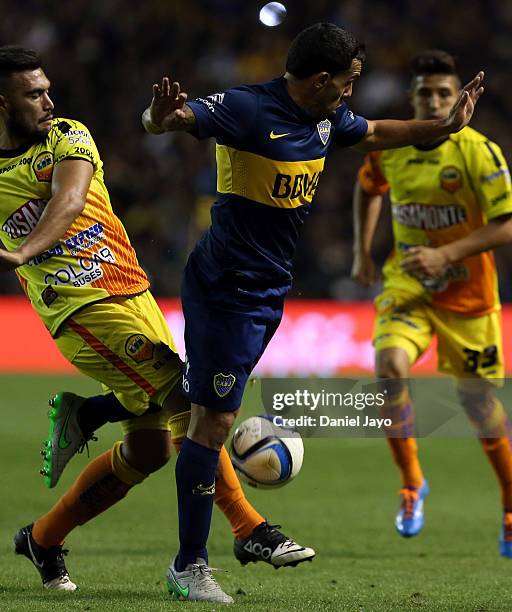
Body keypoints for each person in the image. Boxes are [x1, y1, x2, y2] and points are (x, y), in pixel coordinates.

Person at [0, 46, 314, 602]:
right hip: (78, 310)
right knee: (185, 399)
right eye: (33, 93)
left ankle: (43, 536)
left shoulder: (68, 135)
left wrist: (16, 254)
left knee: (151, 450)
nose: (48, 100)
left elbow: (69, 201)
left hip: (132, 295)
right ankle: (248, 529)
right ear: (0, 102)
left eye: (46, 88)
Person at [141, 22, 484, 602]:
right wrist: (161, 118)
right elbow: (175, 121)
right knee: (212, 423)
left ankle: (213, 529)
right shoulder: (249, 108)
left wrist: (442, 126)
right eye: (348, 82)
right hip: (225, 287)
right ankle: (190, 564)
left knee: (204, 416)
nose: (352, 93)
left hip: (269, 289)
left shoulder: (326, 118)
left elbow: (375, 132)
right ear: (322, 79)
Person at [351, 49, 512, 555]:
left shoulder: (478, 152)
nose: (436, 100)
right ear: (412, 97)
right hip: (409, 286)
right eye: (426, 93)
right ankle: (412, 483)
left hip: (469, 297)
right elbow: (368, 188)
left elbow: (507, 223)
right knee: (389, 367)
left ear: (459, 95)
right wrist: (362, 251)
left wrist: (445, 256)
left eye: (444, 92)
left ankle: (510, 503)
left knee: (480, 406)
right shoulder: (391, 143)